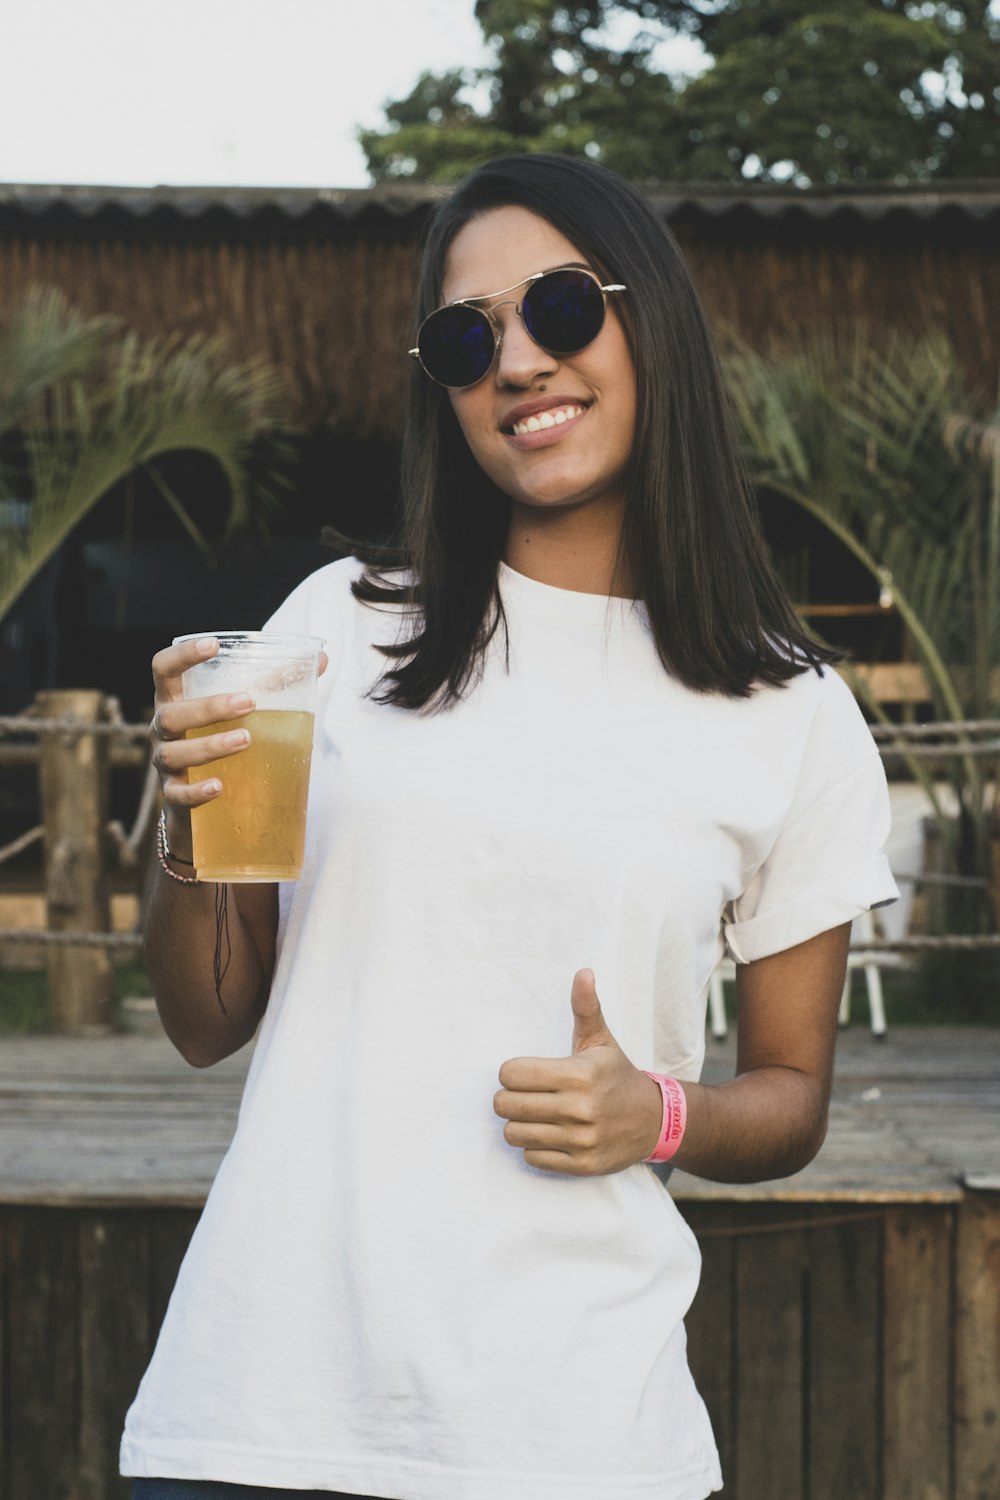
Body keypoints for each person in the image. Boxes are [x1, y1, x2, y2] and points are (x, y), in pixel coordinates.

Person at [121, 153, 898, 1500]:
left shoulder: (792, 711)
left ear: (649, 316)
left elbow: (789, 1096)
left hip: (579, 1439)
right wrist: (189, 817)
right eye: (464, 338)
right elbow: (206, 1019)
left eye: (560, 309)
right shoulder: (336, 628)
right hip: (256, 1417)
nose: (518, 362)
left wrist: (652, 1113)